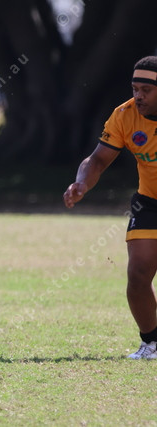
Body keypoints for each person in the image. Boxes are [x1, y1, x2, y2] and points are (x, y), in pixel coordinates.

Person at [63, 55, 157, 359]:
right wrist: (81, 184)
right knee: (138, 274)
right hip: (149, 203)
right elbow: (98, 160)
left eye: (146, 90)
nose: (138, 96)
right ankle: (152, 342)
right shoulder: (124, 115)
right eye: (135, 89)